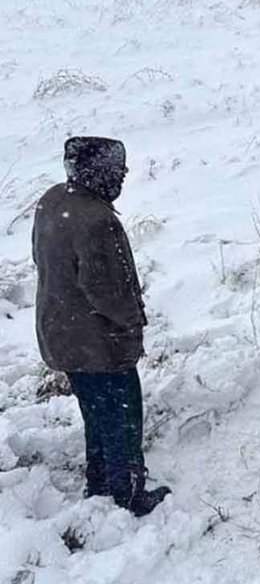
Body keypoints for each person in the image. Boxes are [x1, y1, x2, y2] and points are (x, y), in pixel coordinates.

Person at [31, 137, 171, 517]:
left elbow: (40, 260)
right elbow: (111, 293)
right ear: (101, 174)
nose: (123, 179)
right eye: (118, 171)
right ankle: (128, 493)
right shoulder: (98, 222)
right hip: (99, 341)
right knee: (123, 416)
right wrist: (132, 327)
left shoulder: (52, 200)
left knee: (95, 410)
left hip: (60, 333)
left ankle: (99, 481)